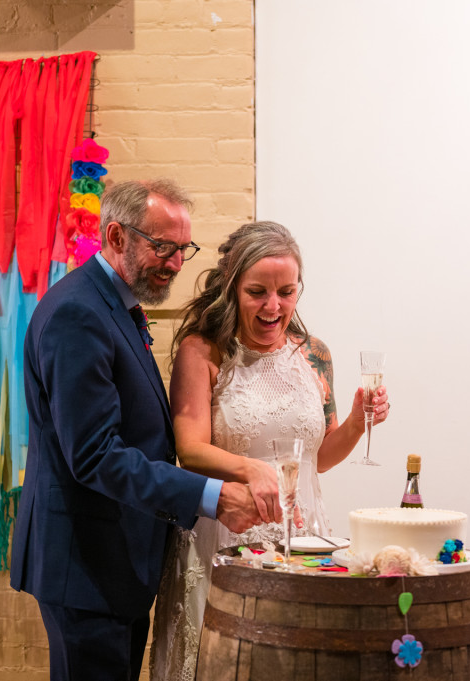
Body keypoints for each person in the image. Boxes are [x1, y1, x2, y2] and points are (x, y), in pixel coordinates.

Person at [10, 180, 267, 681]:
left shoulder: (112, 303)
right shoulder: (77, 313)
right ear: (116, 236)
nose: (175, 263)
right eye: (163, 247)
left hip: (114, 563)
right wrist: (209, 495)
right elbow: (95, 455)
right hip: (85, 565)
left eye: (182, 249)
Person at [149, 221, 390, 679]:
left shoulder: (315, 353)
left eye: (287, 292)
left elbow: (316, 458)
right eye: (257, 291)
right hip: (225, 532)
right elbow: (190, 449)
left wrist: (359, 421)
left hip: (304, 533)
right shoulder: (204, 351)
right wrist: (252, 469)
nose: (273, 306)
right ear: (232, 287)